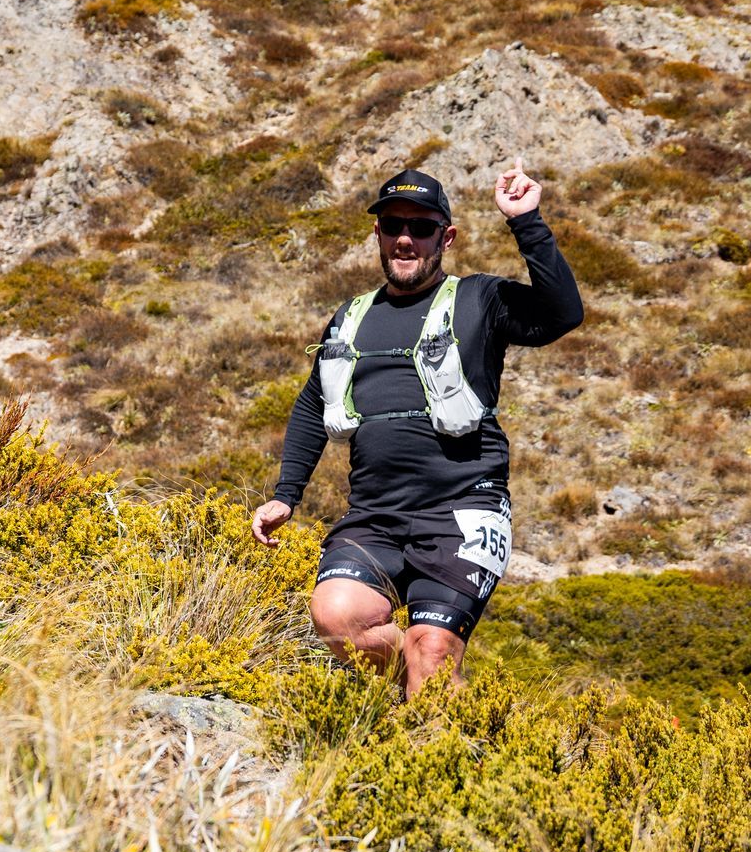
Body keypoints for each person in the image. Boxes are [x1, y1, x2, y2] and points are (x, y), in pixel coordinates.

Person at [250, 163, 583, 696]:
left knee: (431, 647)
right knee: (336, 617)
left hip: (463, 513)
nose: (405, 238)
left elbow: (562, 314)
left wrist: (528, 223)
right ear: (377, 234)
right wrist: (286, 495)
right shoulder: (349, 318)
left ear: (445, 237)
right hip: (375, 515)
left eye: (422, 227)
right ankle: (414, 703)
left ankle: (436, 744)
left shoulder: (481, 299)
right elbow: (314, 403)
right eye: (392, 225)